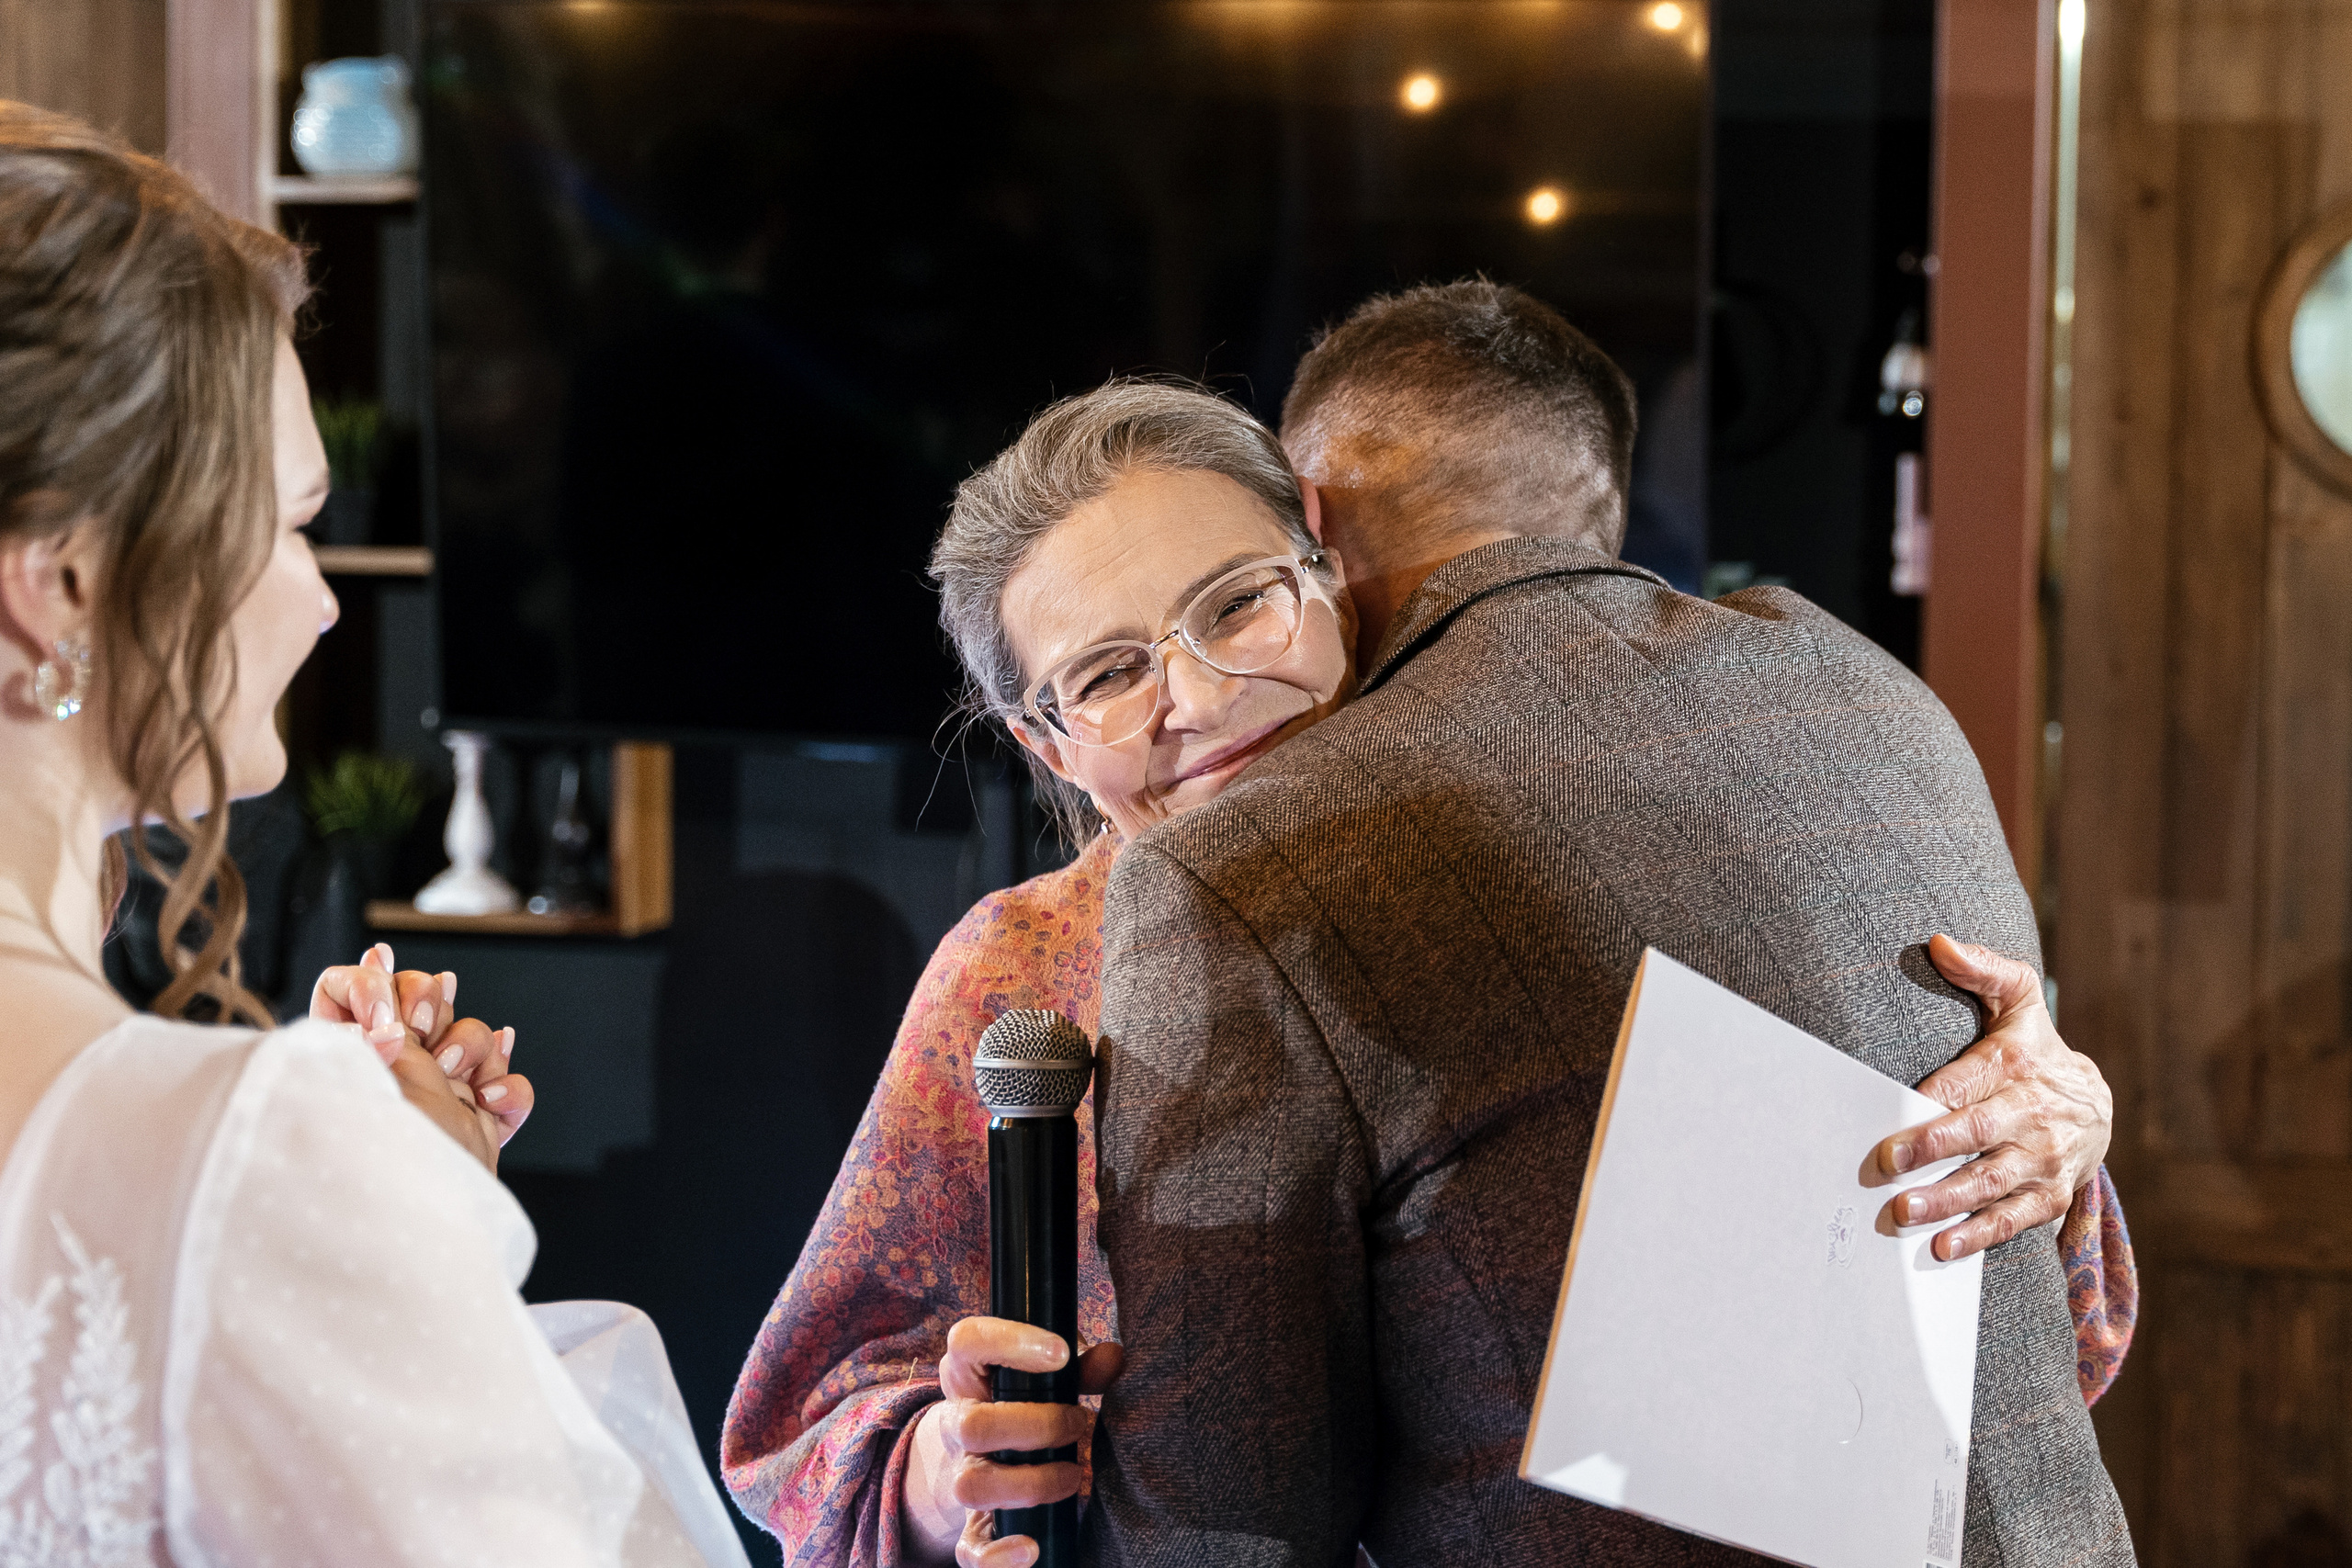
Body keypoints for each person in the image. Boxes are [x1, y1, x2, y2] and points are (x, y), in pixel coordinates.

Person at [721, 379, 2135, 1567]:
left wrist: (2051, 1149)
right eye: (1105, 675)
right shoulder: (1018, 971)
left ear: (1326, 573)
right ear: (1046, 746)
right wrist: (931, 1470)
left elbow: (2032, 1345)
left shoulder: (1555, 841)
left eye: (1237, 606)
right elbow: (807, 1414)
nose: (1199, 700)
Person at [0, 101, 745, 1564]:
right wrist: (416, 1214)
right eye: (282, 526)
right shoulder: (266, 1159)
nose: (321, 599)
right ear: (60, 586)